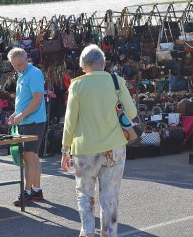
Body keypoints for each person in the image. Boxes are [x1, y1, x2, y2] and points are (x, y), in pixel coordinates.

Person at [61, 44, 137, 237]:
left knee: (85, 194)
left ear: (83, 65)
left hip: (84, 149)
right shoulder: (116, 81)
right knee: (110, 197)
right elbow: (132, 113)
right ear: (103, 63)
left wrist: (65, 150)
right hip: (114, 147)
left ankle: (87, 232)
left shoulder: (77, 85)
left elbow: (70, 122)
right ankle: (109, 233)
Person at [7, 48, 46, 206]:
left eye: (20, 64)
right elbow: (25, 98)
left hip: (33, 121)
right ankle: (36, 190)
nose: (18, 68)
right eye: (15, 66)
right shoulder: (22, 75)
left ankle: (27, 192)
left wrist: (22, 115)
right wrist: (16, 113)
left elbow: (37, 99)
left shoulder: (34, 73)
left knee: (29, 157)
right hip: (28, 121)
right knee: (33, 157)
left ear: (27, 59)